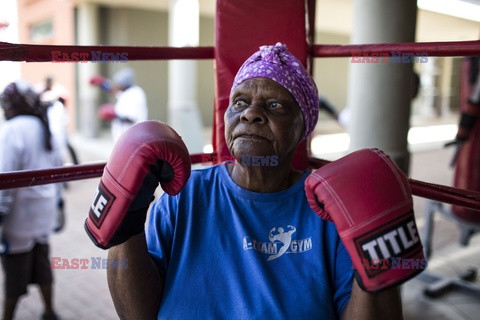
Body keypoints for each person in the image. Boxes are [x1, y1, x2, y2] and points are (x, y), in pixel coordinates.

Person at [89, 43, 415, 319]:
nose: (250, 113)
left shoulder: (331, 211)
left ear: (303, 127)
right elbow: (136, 314)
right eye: (240, 103)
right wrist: (127, 224)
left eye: (274, 105)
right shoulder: (184, 197)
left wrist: (379, 258)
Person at [0, 80, 62, 320]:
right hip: (43, 213)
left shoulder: (12, 130)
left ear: (16, 104)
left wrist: (1, 213)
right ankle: (49, 311)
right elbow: (58, 170)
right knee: (42, 263)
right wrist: (58, 206)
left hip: (19, 217)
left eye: (6, 102)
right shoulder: (42, 125)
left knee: (15, 273)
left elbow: (6, 176)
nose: (4, 108)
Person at [91, 67, 148, 142]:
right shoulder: (124, 92)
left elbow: (132, 119)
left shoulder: (135, 94)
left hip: (133, 140)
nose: (116, 85)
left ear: (124, 84)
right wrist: (102, 83)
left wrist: (115, 115)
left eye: (118, 83)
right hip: (123, 140)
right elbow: (112, 90)